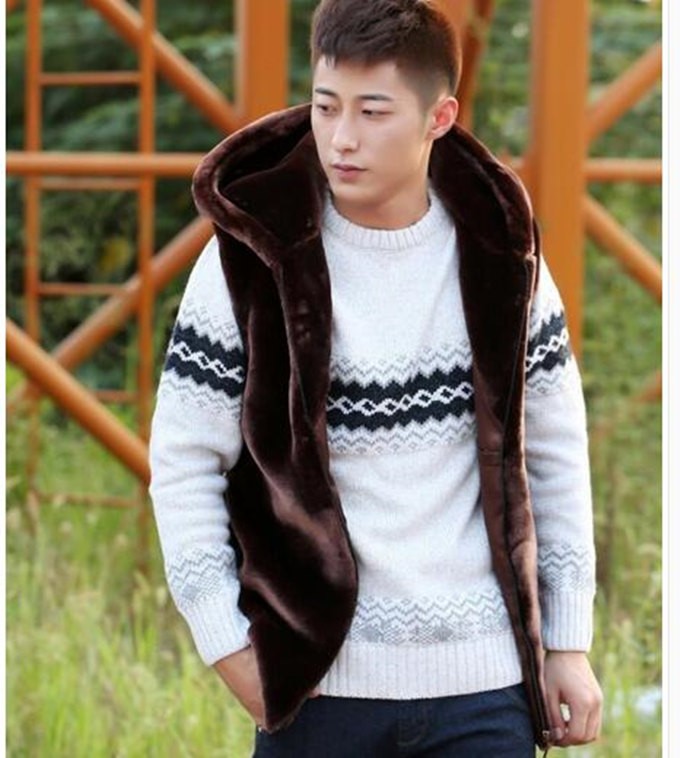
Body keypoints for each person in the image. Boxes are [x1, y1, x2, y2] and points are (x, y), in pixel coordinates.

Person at [149, 0, 603, 754]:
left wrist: (567, 642)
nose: (342, 137)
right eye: (326, 106)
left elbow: (555, 451)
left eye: (373, 111)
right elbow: (183, 461)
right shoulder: (250, 256)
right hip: (318, 695)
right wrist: (227, 646)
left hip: (483, 692)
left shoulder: (501, 252)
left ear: (439, 117)